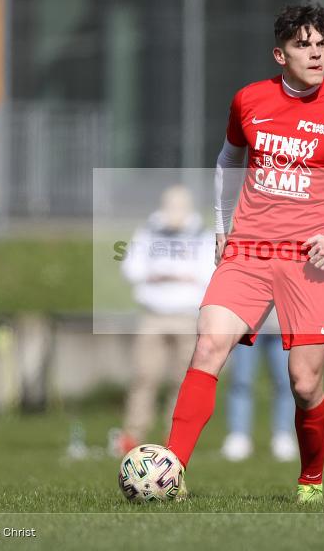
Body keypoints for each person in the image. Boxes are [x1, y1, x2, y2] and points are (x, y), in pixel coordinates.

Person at [164, 2, 324, 503]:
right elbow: (228, 160)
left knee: (304, 383)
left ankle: (311, 480)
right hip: (247, 251)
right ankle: (169, 473)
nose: (316, 54)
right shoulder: (249, 100)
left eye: (322, 45)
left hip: (310, 261)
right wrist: (223, 226)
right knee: (208, 345)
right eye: (303, 45)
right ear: (280, 54)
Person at [110, 185, 215, 456]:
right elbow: (131, 268)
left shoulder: (202, 236)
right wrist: (162, 273)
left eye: (180, 206)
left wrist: (173, 274)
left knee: (182, 381)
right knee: (144, 376)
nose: (175, 212)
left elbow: (207, 273)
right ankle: (132, 435)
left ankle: (174, 437)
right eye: (171, 206)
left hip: (187, 316)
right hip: (153, 315)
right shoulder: (148, 233)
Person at [220, 307, 299, 463]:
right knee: (241, 381)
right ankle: (239, 435)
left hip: (282, 322)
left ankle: (283, 435)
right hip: (246, 321)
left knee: (285, 382)